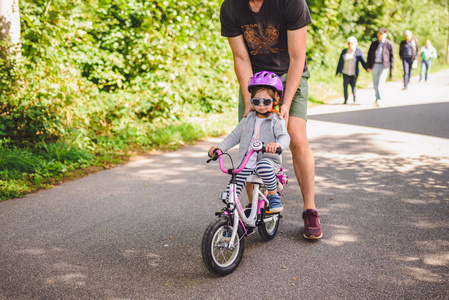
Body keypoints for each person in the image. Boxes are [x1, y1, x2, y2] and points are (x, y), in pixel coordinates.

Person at [220, 0, 323, 239]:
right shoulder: (231, 7)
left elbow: (298, 57)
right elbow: (241, 58)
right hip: (256, 83)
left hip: (290, 74)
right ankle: (256, 206)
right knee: (248, 140)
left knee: (296, 138)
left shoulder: (291, 3)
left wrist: (285, 104)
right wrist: (249, 101)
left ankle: (310, 209)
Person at [208, 71, 290, 213]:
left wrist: (277, 145)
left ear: (275, 100)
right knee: (231, 192)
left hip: (268, 161)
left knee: (263, 165)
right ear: (252, 100)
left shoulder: (276, 121)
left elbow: (285, 137)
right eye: (256, 101)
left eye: (266, 101)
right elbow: (234, 136)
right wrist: (220, 148)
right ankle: (229, 218)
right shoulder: (248, 118)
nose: (261, 105)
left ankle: (273, 195)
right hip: (246, 163)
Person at [335, 36, 368, 104]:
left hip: (354, 73)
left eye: (352, 43)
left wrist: (367, 68)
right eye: (349, 43)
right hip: (345, 72)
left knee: (353, 86)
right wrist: (337, 72)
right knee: (345, 86)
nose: (350, 45)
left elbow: (362, 61)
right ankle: (345, 99)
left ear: (355, 44)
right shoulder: (344, 51)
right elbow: (340, 62)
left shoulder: (358, 52)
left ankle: (354, 98)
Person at [367, 27, 394, 106]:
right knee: (375, 84)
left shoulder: (388, 44)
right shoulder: (374, 43)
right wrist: (368, 66)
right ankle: (377, 97)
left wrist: (391, 68)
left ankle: (379, 99)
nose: (380, 35)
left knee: (380, 83)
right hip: (375, 64)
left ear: (386, 34)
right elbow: (369, 55)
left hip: (384, 66)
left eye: (382, 34)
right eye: (379, 34)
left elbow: (392, 57)